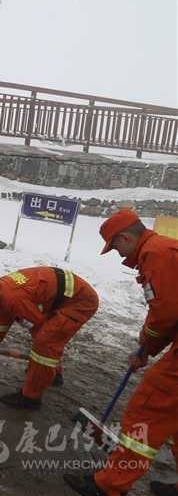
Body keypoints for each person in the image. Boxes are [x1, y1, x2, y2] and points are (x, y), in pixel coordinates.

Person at [64, 209, 178, 496]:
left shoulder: (155, 253)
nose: (118, 254)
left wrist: (146, 345)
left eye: (115, 247)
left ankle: (109, 486)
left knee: (148, 409)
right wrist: (149, 349)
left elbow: (165, 315)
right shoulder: (165, 248)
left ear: (125, 237)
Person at [0, 267, 99, 409]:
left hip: (80, 301)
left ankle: (31, 398)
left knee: (44, 343)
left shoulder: (15, 299)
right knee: (46, 342)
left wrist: (39, 366)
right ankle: (54, 374)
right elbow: (4, 314)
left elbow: (39, 329)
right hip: (63, 297)